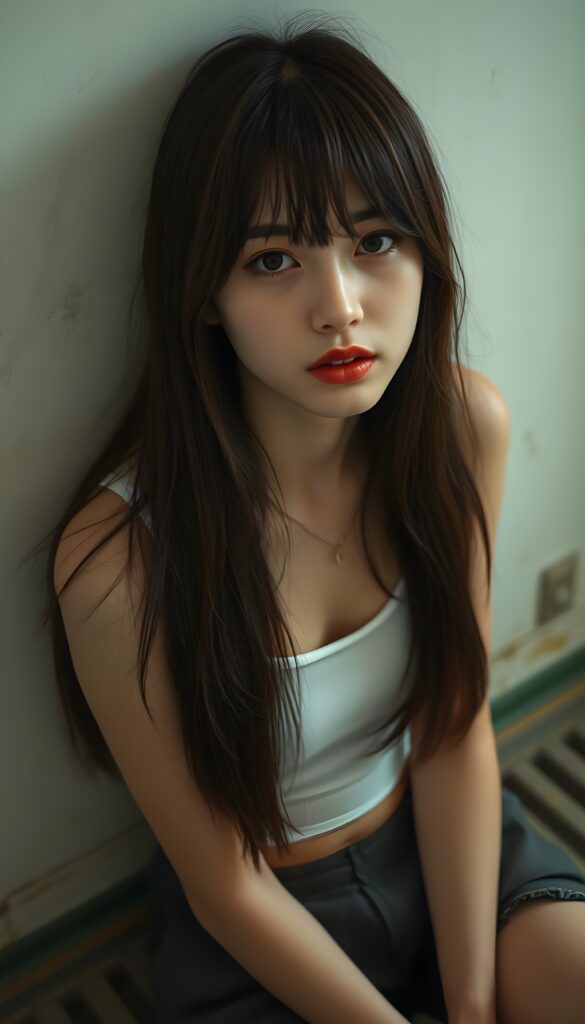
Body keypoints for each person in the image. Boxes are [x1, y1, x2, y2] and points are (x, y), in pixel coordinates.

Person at [30, 11, 585, 1024]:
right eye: (274, 260)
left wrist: (467, 1004)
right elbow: (225, 883)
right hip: (261, 935)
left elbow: (454, 728)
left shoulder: (464, 425)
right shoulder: (117, 560)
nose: (340, 305)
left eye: (376, 240)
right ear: (204, 292)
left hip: (454, 850)